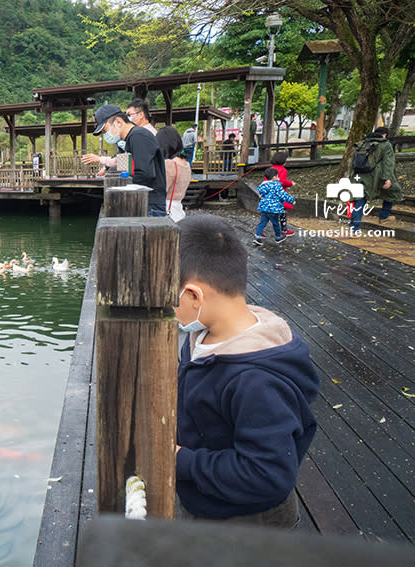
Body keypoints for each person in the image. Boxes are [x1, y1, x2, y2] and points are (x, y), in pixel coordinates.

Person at [174, 214, 319, 528]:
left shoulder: (256, 380)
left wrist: (176, 458)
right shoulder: (202, 335)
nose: (167, 309)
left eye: (169, 299)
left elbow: (266, 475)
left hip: (249, 526)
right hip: (205, 502)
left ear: (194, 295)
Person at [82, 104, 167, 216]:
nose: (105, 135)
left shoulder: (138, 136)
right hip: (147, 201)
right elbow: (125, 165)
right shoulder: (131, 139)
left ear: (118, 122)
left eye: (105, 130)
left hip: (151, 203)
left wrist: (124, 190)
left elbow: (144, 173)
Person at [349, 126, 401, 230]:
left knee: (360, 200)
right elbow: (388, 163)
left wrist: (352, 178)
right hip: (377, 176)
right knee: (393, 191)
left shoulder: (362, 143)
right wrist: (387, 178)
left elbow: (352, 163)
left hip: (360, 176)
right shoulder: (385, 145)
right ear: (385, 135)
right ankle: (384, 216)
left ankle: (354, 228)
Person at [157, 127, 191, 222]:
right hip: (179, 211)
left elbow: (161, 191)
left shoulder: (169, 164)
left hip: (167, 211)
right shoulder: (186, 164)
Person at [254, 166, 295, 245]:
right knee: (275, 223)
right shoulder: (277, 186)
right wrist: (292, 200)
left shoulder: (263, 186)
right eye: (277, 176)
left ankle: (258, 237)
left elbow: (261, 193)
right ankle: (278, 237)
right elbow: (283, 195)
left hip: (264, 208)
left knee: (262, 222)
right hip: (273, 209)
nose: (278, 177)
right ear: (274, 177)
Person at [270, 151, 295, 237]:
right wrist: (290, 183)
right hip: (280, 195)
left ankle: (259, 231)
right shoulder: (283, 170)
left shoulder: (271, 169)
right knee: (283, 213)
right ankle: (284, 230)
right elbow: (282, 182)